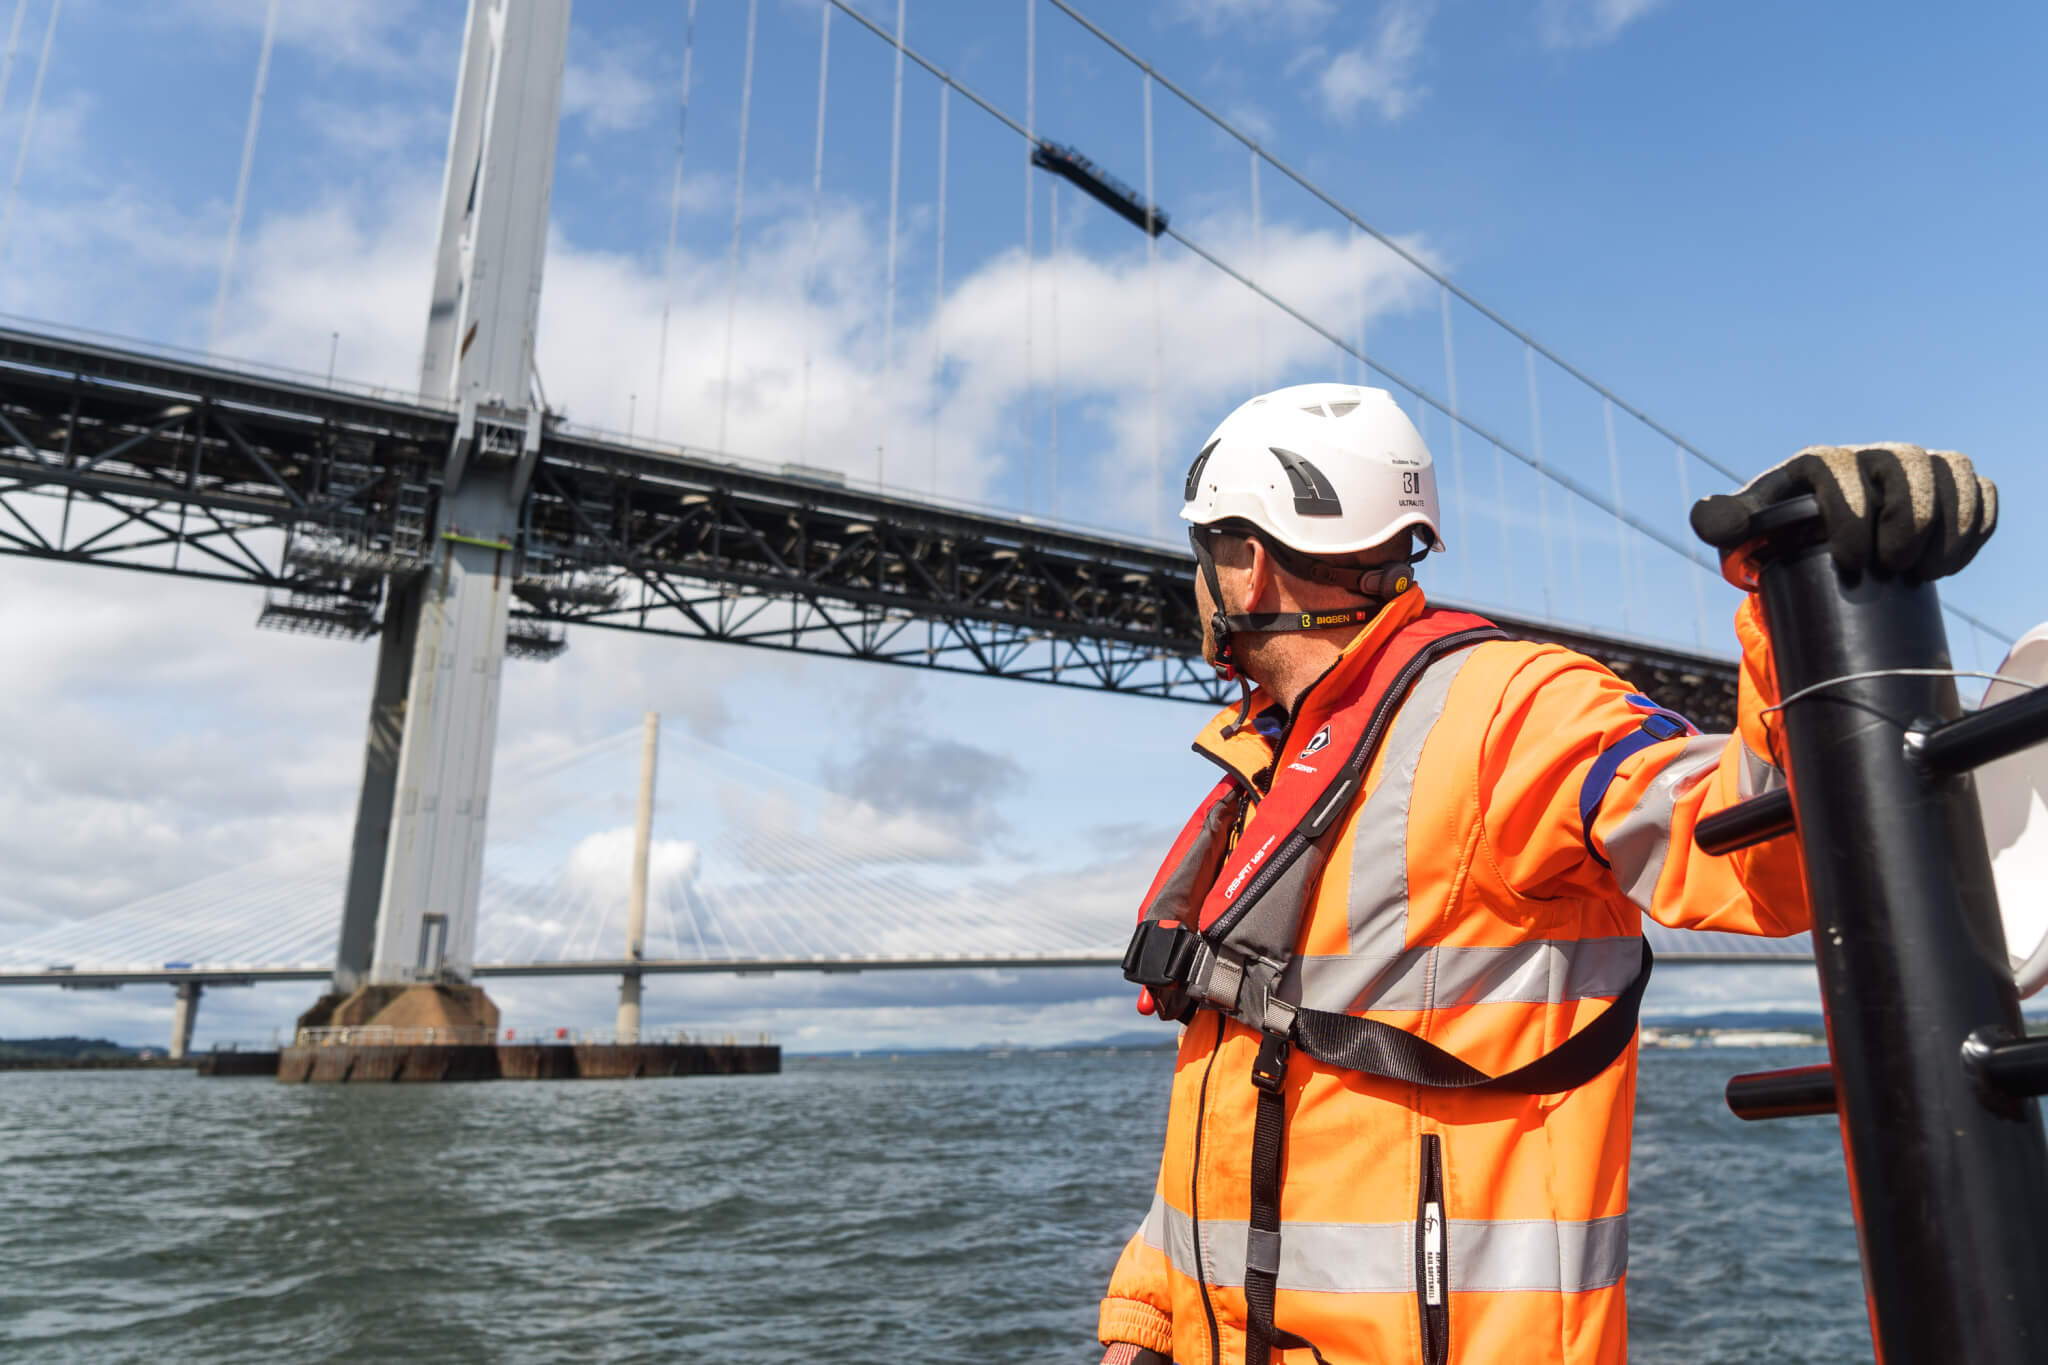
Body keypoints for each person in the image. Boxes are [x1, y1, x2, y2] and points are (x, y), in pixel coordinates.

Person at [1095, 383, 1998, 1365]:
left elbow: (1772, 855)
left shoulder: (1511, 713)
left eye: (1202, 552)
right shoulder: (1261, 779)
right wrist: (1142, 1327)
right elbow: (1231, 1100)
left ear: (1247, 562)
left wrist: (1815, 599)